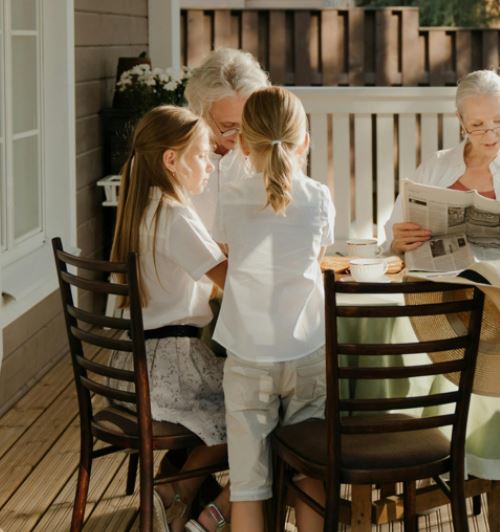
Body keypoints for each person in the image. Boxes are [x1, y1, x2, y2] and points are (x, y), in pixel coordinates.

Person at [384, 69, 500, 532]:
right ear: (460, 121)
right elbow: (394, 238)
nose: (490, 135)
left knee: (492, 328)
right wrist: (399, 239)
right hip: (438, 304)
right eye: (479, 125)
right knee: (438, 333)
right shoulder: (436, 168)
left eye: (499, 123)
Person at [213, 86, 335, 531]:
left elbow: (226, 249)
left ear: (243, 142)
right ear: (304, 140)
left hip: (247, 355)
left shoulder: (229, 194)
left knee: (247, 487)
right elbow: (318, 258)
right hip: (306, 353)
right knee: (308, 474)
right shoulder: (318, 197)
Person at [108, 105, 232, 532]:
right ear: (171, 160)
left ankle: (179, 488)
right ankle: (174, 491)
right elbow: (232, 282)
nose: (210, 167)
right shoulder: (175, 215)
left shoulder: (143, 205)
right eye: (202, 155)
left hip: (135, 366)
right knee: (259, 405)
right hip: (171, 368)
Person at [184, 47, 271, 233]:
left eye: (247, 123)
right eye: (228, 125)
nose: (240, 135)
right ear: (201, 112)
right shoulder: (180, 156)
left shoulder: (268, 154)